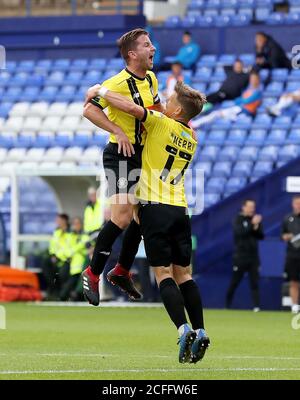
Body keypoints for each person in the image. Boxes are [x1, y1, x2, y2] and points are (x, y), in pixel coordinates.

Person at [92, 81, 210, 363]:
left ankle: (182, 330)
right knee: (185, 275)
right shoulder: (192, 137)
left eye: (170, 101)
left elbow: (133, 108)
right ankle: (202, 330)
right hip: (181, 210)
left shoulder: (160, 124)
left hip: (154, 208)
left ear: (178, 109)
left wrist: (102, 91)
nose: (165, 103)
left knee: (163, 276)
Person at [82, 28, 163, 305]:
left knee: (144, 217)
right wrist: (117, 129)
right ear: (132, 54)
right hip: (119, 153)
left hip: (142, 155)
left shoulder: (151, 79)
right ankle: (93, 273)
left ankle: (121, 271)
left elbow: (158, 110)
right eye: (147, 45)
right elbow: (88, 109)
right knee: (122, 217)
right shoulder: (116, 83)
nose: (153, 49)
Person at [226, 200, 264, 311]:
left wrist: (256, 226)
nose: (252, 209)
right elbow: (240, 233)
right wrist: (252, 225)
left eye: (253, 206)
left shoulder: (255, 220)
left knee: (254, 282)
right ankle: (227, 305)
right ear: (243, 207)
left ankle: (256, 307)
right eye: (250, 206)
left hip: (253, 257)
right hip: (240, 257)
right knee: (234, 282)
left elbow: (261, 236)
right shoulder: (237, 219)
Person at [191, 71, 262, 128]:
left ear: (258, 80)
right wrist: (241, 100)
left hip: (244, 113)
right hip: (239, 110)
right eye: (252, 79)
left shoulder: (257, 92)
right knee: (215, 113)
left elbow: (246, 101)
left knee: (216, 115)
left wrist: (241, 100)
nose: (253, 81)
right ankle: (194, 122)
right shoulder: (248, 90)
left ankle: (194, 124)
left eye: (254, 79)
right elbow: (239, 101)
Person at [43, 213, 71, 300]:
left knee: (62, 274)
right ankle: (53, 289)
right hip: (56, 258)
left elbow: (69, 246)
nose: (57, 222)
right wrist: (53, 255)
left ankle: (61, 293)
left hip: (67, 259)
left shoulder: (71, 232)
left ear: (64, 221)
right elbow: (53, 245)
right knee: (46, 263)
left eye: (58, 220)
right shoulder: (57, 232)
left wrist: (62, 256)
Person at [63, 217, 90, 301]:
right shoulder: (71, 236)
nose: (76, 225)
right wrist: (77, 248)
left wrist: (74, 249)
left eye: (77, 223)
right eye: (74, 224)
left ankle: (77, 296)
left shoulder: (85, 235)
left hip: (82, 266)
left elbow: (85, 245)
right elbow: (67, 250)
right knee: (65, 289)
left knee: (81, 285)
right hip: (73, 268)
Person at [281, 195, 300, 314]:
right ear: (293, 204)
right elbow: (282, 235)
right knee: (293, 281)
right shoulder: (287, 218)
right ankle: (294, 305)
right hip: (293, 254)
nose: (298, 206)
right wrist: (287, 237)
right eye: (297, 203)